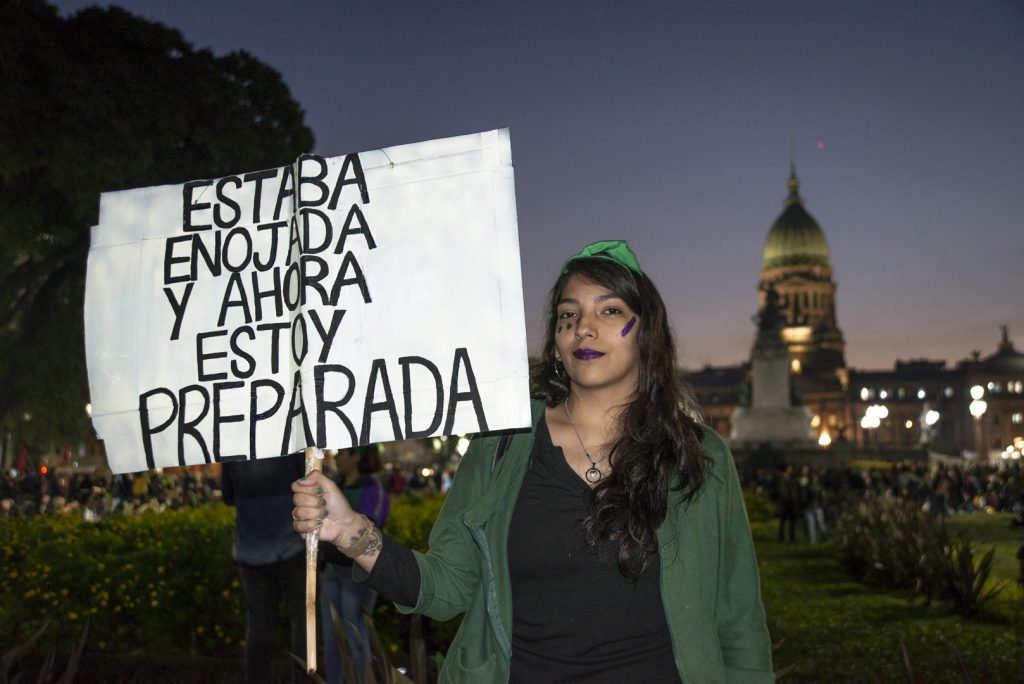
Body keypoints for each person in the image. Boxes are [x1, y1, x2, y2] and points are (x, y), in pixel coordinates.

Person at [293, 240, 773, 683]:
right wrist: (351, 532)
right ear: (558, 341)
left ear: (646, 332)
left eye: (610, 310)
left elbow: (738, 619)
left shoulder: (699, 455)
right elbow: (447, 586)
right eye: (569, 314)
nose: (585, 327)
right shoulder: (502, 444)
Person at [222, 452, 311, 684]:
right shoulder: (288, 445)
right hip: (290, 544)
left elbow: (228, 497)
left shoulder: (232, 451)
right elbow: (308, 482)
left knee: (258, 626)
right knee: (301, 621)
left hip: (249, 548)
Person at [319, 448, 390, 684]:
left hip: (356, 575)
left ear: (356, 457)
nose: (337, 457)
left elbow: (370, 526)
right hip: (331, 570)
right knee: (331, 639)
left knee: (355, 636)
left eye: (342, 453)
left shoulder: (372, 486)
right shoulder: (335, 482)